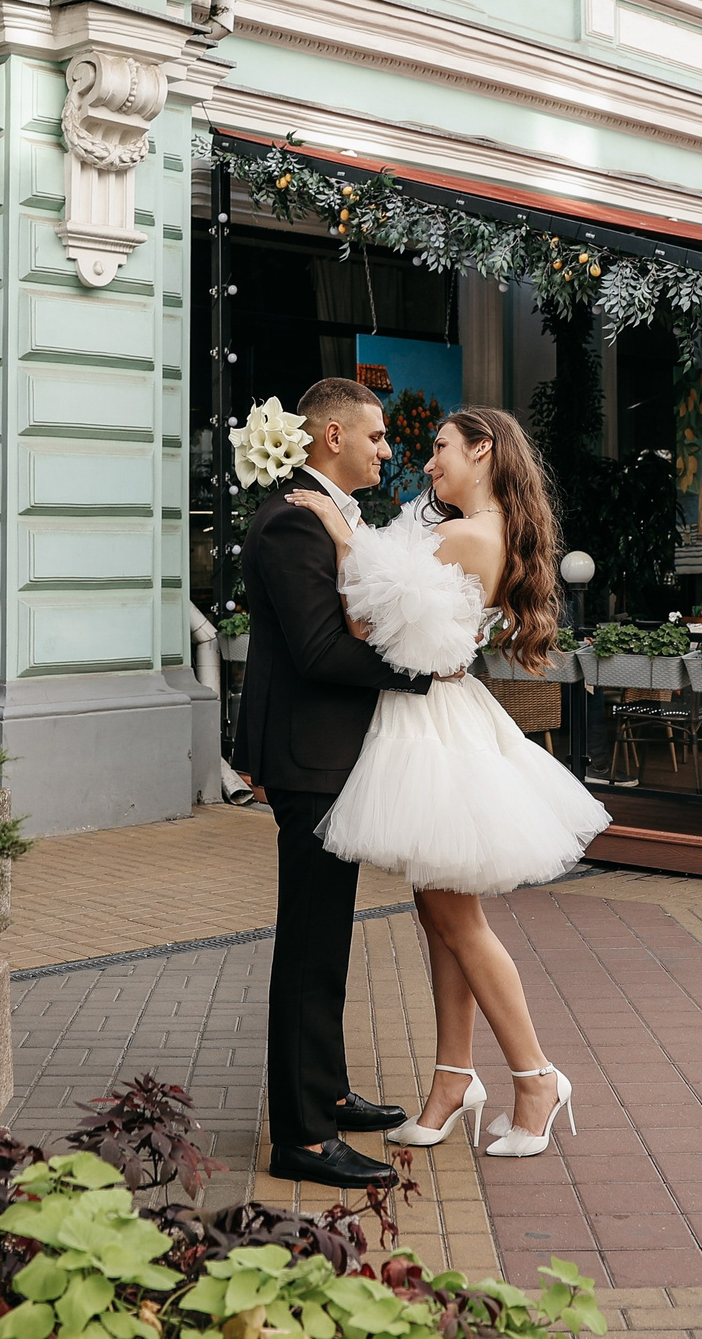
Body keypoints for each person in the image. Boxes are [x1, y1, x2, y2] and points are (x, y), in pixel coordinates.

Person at [282, 406, 610, 1161]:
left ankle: (536, 1077)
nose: (427, 463)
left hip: (431, 733)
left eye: (439, 448)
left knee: (458, 921)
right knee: (437, 912)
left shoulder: (463, 535)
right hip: (437, 721)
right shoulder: (478, 531)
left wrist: (337, 531)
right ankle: (453, 1078)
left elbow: (365, 615)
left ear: (482, 449)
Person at [235, 377, 436, 1189]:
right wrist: (421, 671)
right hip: (310, 760)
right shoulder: (292, 520)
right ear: (331, 438)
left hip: (331, 757)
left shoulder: (329, 514)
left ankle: (327, 1090)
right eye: (377, 436)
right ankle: (303, 1137)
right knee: (310, 945)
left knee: (330, 940)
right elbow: (320, 651)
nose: (388, 450)